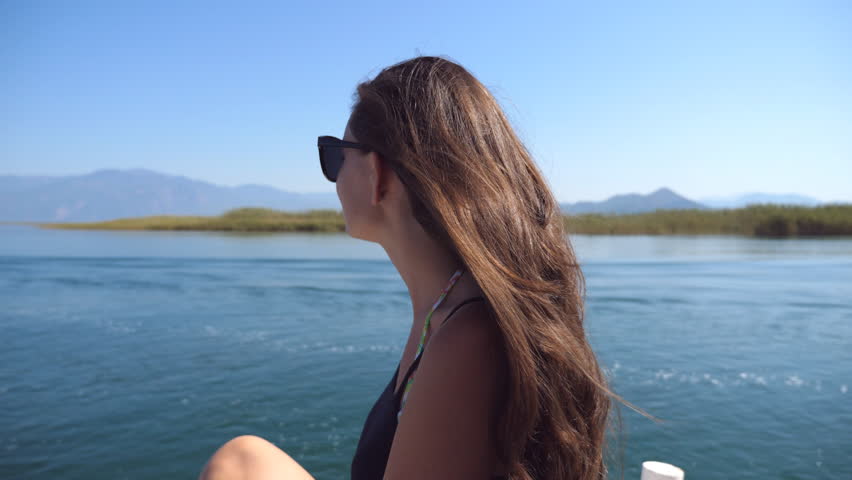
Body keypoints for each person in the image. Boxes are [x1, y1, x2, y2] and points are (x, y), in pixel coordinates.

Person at [198, 55, 654, 480]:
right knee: (243, 459)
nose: (334, 177)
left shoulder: (467, 342)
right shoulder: (445, 308)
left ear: (378, 175)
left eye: (336, 156)